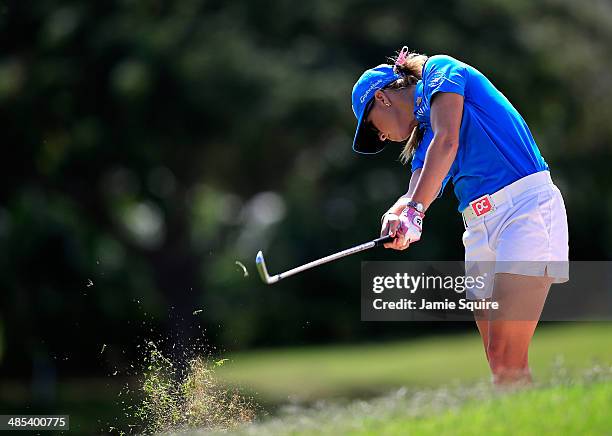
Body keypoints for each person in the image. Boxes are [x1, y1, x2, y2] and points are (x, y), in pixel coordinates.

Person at [350, 46, 569, 385]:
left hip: (526, 212)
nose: (379, 136)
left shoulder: (442, 71)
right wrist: (398, 213)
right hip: (479, 228)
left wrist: (415, 211)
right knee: (499, 359)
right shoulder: (426, 130)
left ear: (382, 98)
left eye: (371, 127)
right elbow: (419, 187)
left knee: (509, 355)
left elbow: (448, 141)